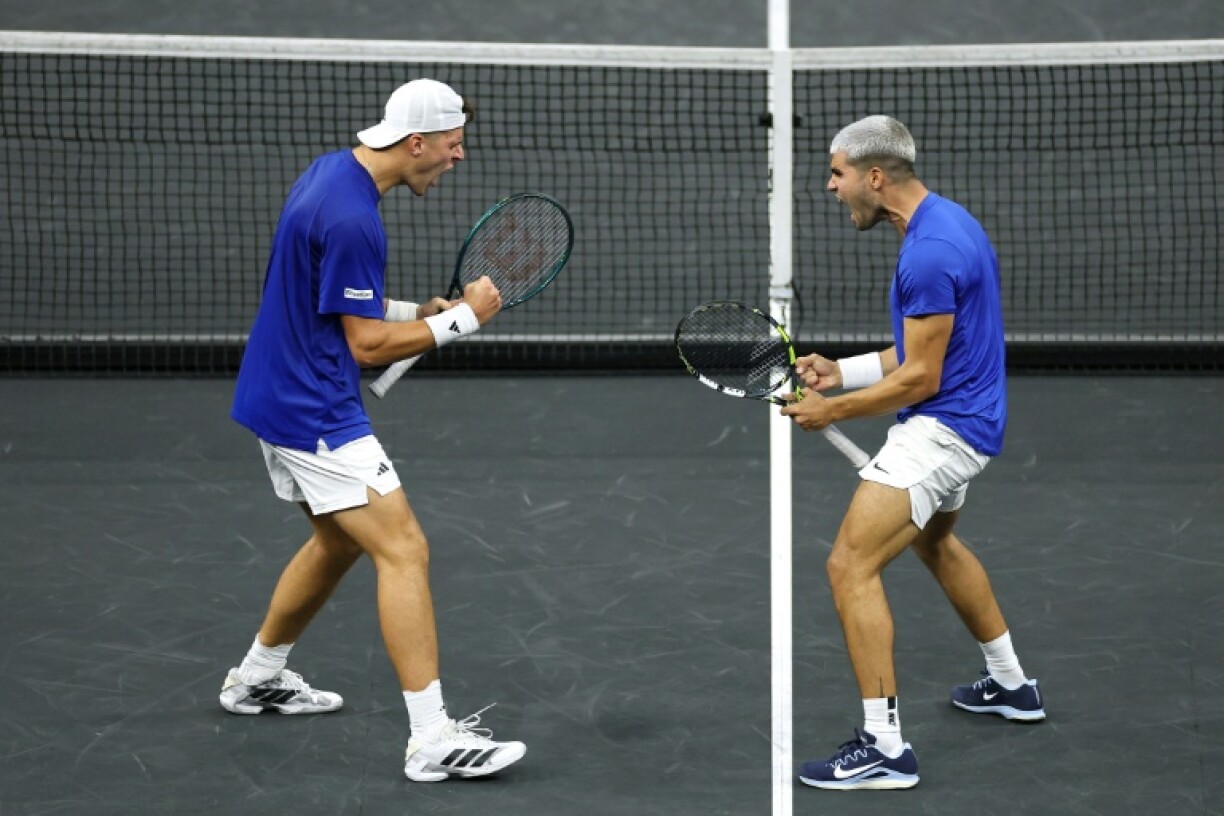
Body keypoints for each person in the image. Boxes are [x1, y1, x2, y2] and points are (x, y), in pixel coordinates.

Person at [222, 78, 526, 783]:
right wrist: (461, 320)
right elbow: (363, 347)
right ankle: (431, 741)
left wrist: (408, 309)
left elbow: (327, 294)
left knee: (337, 539)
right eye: (452, 147)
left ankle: (256, 678)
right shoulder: (358, 219)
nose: (458, 159)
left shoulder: (333, 173)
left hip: (272, 391)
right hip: (315, 409)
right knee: (404, 549)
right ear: (416, 143)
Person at [781, 115, 1044, 791]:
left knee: (849, 566)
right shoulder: (947, 222)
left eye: (837, 174)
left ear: (875, 177)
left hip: (943, 430)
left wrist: (829, 411)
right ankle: (1013, 685)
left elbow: (922, 379)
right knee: (936, 544)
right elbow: (922, 354)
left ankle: (885, 749)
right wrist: (842, 373)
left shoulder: (927, 255)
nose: (832, 188)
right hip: (972, 418)